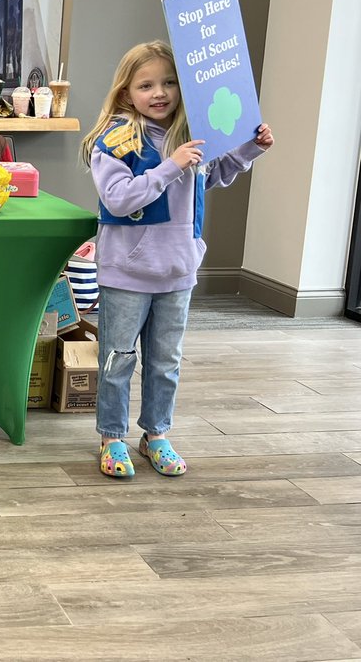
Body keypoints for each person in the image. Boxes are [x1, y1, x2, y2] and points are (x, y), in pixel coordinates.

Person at [80, 40, 274, 479]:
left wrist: (250, 149)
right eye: (146, 84)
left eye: (169, 82)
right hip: (127, 272)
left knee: (166, 360)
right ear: (127, 92)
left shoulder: (190, 137)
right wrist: (170, 166)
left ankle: (156, 433)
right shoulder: (114, 141)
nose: (159, 92)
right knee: (118, 359)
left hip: (178, 270)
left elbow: (212, 176)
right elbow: (117, 197)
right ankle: (112, 436)